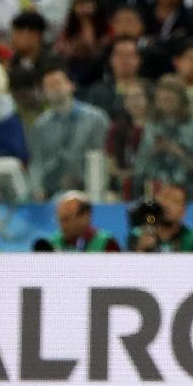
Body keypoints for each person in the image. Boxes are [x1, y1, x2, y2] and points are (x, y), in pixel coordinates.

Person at [26, 66, 110, 199]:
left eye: (58, 83)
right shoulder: (40, 125)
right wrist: (36, 188)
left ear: (71, 85)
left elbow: (104, 155)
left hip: (92, 188)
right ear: (44, 93)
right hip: (53, 191)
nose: (55, 89)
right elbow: (37, 161)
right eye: (50, 86)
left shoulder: (96, 118)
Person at [35, 191, 119, 251]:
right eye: (59, 219)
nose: (62, 225)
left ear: (85, 216)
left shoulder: (106, 244)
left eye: (66, 219)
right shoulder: (51, 243)